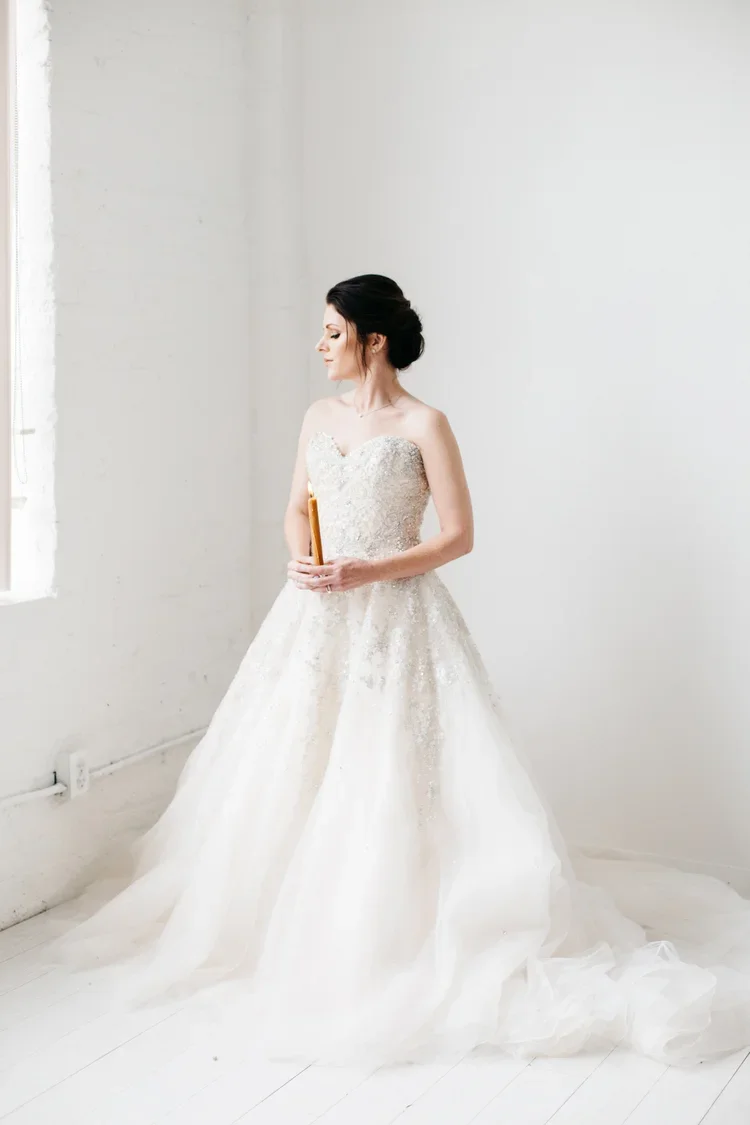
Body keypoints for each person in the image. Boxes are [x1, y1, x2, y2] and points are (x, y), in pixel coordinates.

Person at [46, 274, 750, 1068]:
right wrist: (304, 556)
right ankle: (281, 926)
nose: (319, 346)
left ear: (372, 339)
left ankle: (391, 932)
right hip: (314, 618)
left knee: (391, 771)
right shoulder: (317, 416)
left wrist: (365, 572)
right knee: (289, 765)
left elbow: (458, 536)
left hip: (398, 620)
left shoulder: (425, 423)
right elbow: (293, 505)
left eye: (331, 332)